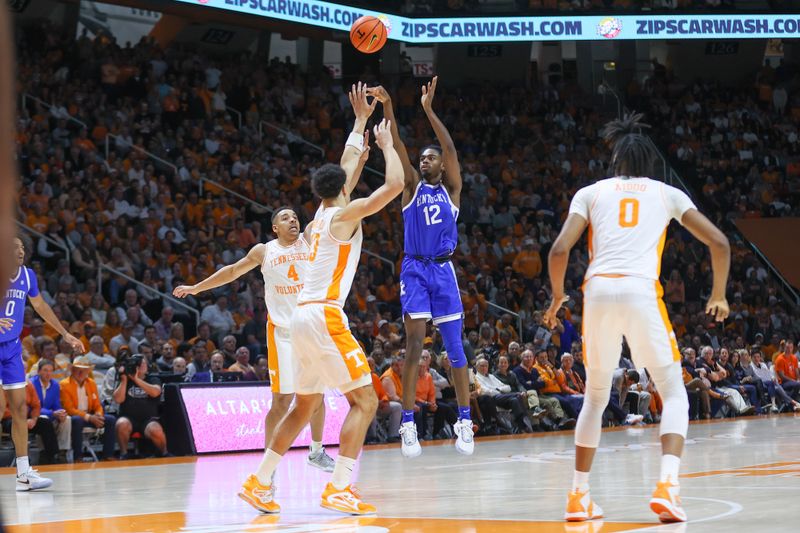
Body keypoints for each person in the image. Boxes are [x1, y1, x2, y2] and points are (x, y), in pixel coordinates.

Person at [544, 113, 731, 523]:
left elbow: (559, 251)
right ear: (651, 165)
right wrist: (718, 294)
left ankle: (578, 496)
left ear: (614, 163)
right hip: (641, 289)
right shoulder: (666, 193)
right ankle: (667, 486)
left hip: (597, 291)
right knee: (674, 391)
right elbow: (719, 241)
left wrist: (559, 296)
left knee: (594, 399)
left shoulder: (590, 193)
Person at [236, 105, 403, 515]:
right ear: (344, 189)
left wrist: (360, 121)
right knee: (365, 401)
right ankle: (340, 487)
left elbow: (346, 166)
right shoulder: (343, 215)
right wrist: (387, 144)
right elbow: (396, 184)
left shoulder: (316, 220)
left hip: (300, 321)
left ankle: (260, 482)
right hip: (325, 316)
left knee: (305, 405)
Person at [174, 206, 337, 468]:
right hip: (283, 334)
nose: (292, 220)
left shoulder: (309, 239)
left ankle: (317, 452)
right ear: (275, 228)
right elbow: (230, 272)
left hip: (311, 330)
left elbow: (329, 206)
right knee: (282, 401)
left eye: (295, 217)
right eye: (285, 218)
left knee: (317, 397)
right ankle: (268, 465)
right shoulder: (264, 250)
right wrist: (196, 288)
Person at [368, 79, 473, 458]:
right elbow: (396, 142)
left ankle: (465, 420)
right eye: (423, 158)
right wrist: (389, 106)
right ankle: (408, 423)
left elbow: (449, 146)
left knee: (455, 347)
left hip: (443, 271)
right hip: (415, 270)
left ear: (442, 166)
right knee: (414, 346)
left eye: (430, 158)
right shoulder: (412, 187)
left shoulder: (452, 190)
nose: (425, 160)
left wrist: (429, 110)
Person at [0, 237, 83, 490]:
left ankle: (23, 474)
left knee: (19, 410)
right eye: (15, 248)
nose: (21, 251)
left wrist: (64, 334)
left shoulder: (27, 276)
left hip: (12, 349)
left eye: (23, 248)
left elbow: (40, 306)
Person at [60, 356, 117, 461]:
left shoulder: (91, 383)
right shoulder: (64, 384)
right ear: (72, 370)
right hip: (74, 417)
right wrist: (90, 418)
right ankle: (78, 456)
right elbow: (69, 409)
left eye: (84, 370)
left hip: (91, 416)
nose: (81, 372)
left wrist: (98, 415)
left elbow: (97, 405)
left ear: (88, 371)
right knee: (76, 420)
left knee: (110, 420)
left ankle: (108, 455)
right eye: (78, 369)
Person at [113, 354, 167, 459]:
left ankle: (164, 452)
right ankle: (123, 454)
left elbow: (156, 392)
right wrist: (124, 380)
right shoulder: (125, 379)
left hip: (148, 420)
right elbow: (118, 399)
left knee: (155, 429)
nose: (140, 366)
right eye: (138, 363)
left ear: (147, 367)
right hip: (128, 418)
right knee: (121, 424)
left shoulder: (153, 379)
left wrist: (136, 379)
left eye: (143, 363)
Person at [30, 359, 71, 462]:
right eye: (45, 370)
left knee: (67, 419)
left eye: (50, 370)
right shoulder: (32, 384)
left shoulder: (55, 385)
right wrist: (52, 413)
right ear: (39, 371)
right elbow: (32, 407)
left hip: (51, 415)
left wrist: (61, 412)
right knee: (44, 419)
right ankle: (44, 452)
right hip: (34, 415)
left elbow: (56, 404)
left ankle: (62, 451)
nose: (48, 373)